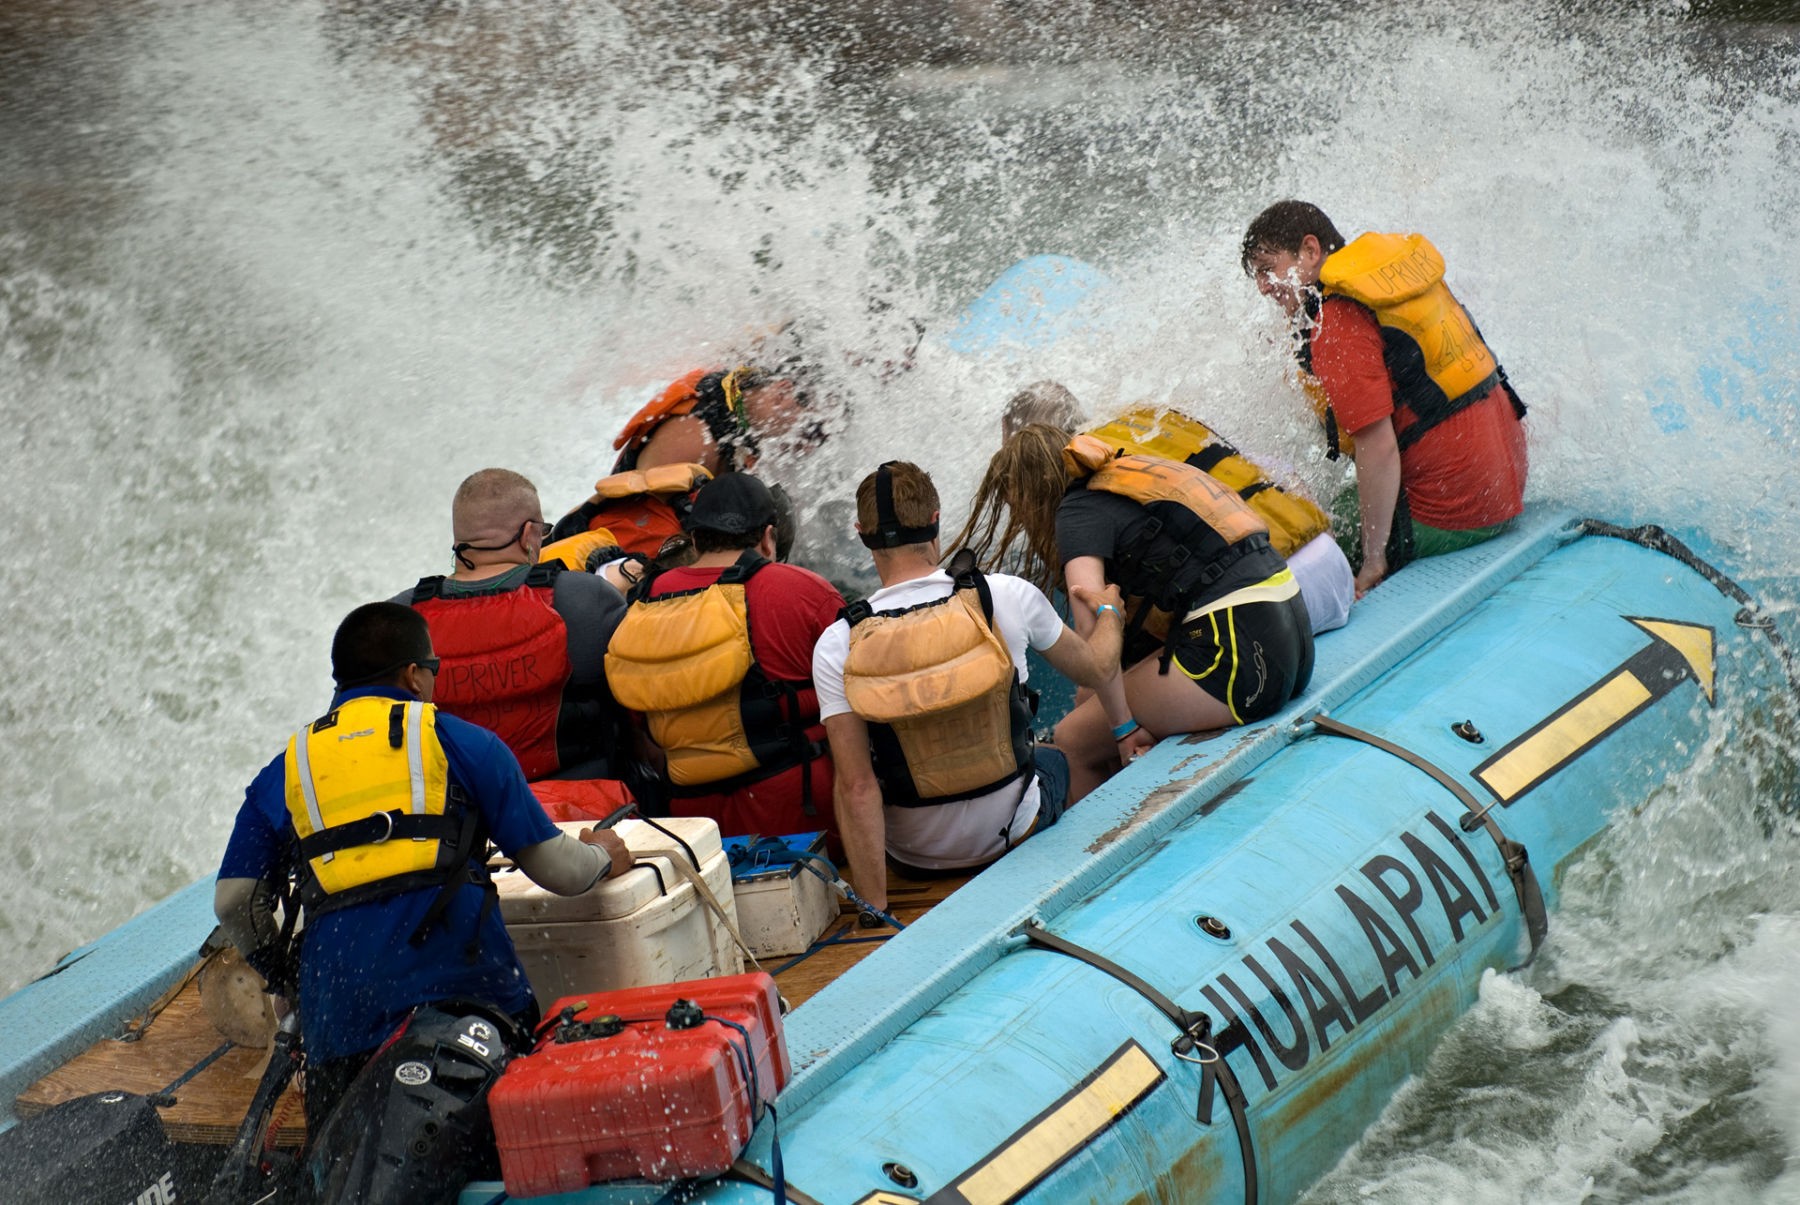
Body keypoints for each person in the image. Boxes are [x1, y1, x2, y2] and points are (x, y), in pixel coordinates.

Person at [214, 602, 633, 1133]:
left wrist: (286, 975)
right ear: (414, 674)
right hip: (467, 1003)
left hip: (338, 1019)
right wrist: (602, 855)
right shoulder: (459, 741)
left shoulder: (286, 768)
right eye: (433, 668)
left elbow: (234, 901)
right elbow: (562, 872)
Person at [811, 461, 1126, 915]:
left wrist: (875, 912)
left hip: (915, 857)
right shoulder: (1003, 594)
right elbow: (1097, 669)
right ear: (936, 519)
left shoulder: (839, 641)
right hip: (1013, 830)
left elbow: (857, 787)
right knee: (1058, 754)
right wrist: (1111, 614)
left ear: (862, 534)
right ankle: (1073, 893)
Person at [956, 425, 1315, 802]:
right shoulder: (1126, 477)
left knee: (1074, 737)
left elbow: (1093, 649)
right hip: (1293, 639)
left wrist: (1123, 728)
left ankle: (1101, 846)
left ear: (1030, 494)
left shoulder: (1075, 513)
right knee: (1101, 708)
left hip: (1241, 659)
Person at [1240, 200, 1529, 596]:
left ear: (1310, 250)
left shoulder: (1336, 319)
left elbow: (1377, 446)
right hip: (1506, 487)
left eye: (1267, 269)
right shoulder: (1392, 284)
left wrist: (1374, 560)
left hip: (1455, 515)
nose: (1262, 287)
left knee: (1290, 539)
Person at [604, 472, 846, 851]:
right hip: (802, 817)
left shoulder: (644, 600)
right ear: (768, 537)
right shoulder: (801, 591)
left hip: (695, 827)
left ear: (696, 539)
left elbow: (637, 725)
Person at [1002, 383, 1354, 635]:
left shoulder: (1081, 499)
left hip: (1272, 608)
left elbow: (1097, 632)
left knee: (1082, 726)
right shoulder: (1149, 426)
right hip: (1332, 570)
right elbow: (1279, 478)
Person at [401, 468, 635, 822]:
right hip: (584, 819)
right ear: (529, 534)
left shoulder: (401, 618)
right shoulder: (583, 600)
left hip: (457, 826)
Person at [550, 365, 821, 558]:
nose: (807, 445)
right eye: (813, 431)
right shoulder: (695, 436)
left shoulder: (738, 399)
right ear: (782, 392)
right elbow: (647, 517)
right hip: (621, 554)